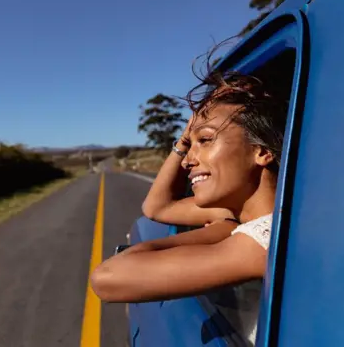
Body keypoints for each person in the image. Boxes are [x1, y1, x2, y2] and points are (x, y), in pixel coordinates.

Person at [90, 67, 288, 343]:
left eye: (205, 140)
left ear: (262, 151)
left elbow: (107, 278)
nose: (186, 160)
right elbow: (157, 208)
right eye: (188, 146)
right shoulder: (247, 213)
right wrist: (187, 139)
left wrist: (216, 231)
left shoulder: (261, 239)